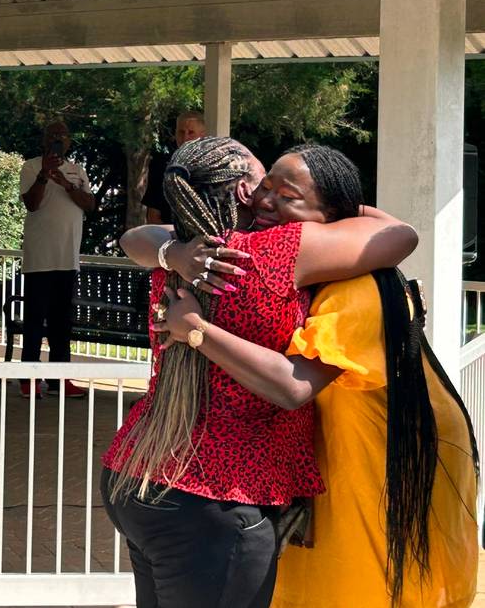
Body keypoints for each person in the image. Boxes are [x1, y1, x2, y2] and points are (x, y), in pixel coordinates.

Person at [143, 144, 477, 608]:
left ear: (333, 216)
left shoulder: (358, 287)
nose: (264, 200)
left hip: (378, 450)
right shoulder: (238, 257)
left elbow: (293, 384)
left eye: (287, 195)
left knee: (367, 578)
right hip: (330, 448)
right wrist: (175, 250)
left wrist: (196, 328)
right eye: (266, 187)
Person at [18, 120, 95, 398]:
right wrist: (43, 175)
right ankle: (28, 378)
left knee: (62, 322)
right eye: (52, 135)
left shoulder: (77, 171)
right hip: (40, 258)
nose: (57, 139)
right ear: (44, 140)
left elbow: (90, 205)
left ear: (69, 141)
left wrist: (66, 184)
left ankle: (59, 378)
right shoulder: (30, 166)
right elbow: (31, 204)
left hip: (67, 258)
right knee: (35, 320)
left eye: (62, 135)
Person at [142, 110, 206, 225]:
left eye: (191, 132)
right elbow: (153, 214)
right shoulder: (161, 165)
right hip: (166, 233)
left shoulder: (210, 168)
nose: (185, 137)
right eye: (181, 132)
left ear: (202, 136)